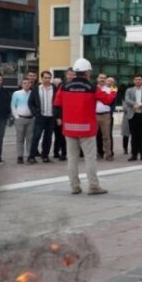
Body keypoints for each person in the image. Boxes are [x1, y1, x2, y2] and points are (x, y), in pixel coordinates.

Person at [53, 58, 116, 195]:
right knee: (90, 158)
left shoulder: (64, 86)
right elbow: (108, 100)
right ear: (87, 72)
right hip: (86, 128)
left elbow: (57, 104)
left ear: (75, 71)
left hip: (69, 128)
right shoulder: (92, 87)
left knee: (72, 158)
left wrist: (59, 118)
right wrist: (113, 90)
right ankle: (93, 186)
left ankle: (74, 186)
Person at [28, 71, 56, 164]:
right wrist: (35, 113)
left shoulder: (54, 88)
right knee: (36, 136)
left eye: (49, 78)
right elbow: (30, 102)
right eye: (45, 77)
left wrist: (56, 114)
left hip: (51, 117)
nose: (47, 79)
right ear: (42, 78)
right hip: (40, 117)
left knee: (48, 138)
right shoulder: (36, 88)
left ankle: (45, 156)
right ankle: (31, 157)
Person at [124, 74, 142, 162]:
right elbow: (127, 99)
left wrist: (140, 104)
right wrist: (135, 104)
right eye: (136, 79)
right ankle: (134, 155)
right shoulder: (129, 90)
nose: (138, 81)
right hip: (133, 115)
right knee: (134, 136)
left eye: (139, 79)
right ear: (134, 81)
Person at [11, 78, 34, 164]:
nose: (27, 85)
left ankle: (29, 156)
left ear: (30, 84)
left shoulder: (32, 93)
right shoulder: (17, 93)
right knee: (20, 138)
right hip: (20, 118)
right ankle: (20, 156)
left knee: (30, 139)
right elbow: (13, 105)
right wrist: (16, 116)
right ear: (22, 84)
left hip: (31, 119)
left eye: (28, 83)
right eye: (24, 83)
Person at [94, 73, 114, 161]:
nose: (102, 79)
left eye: (104, 78)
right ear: (97, 79)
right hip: (94, 115)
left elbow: (110, 101)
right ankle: (96, 154)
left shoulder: (110, 90)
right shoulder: (93, 89)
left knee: (106, 136)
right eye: (100, 77)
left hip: (106, 115)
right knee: (93, 136)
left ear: (106, 80)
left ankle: (108, 154)